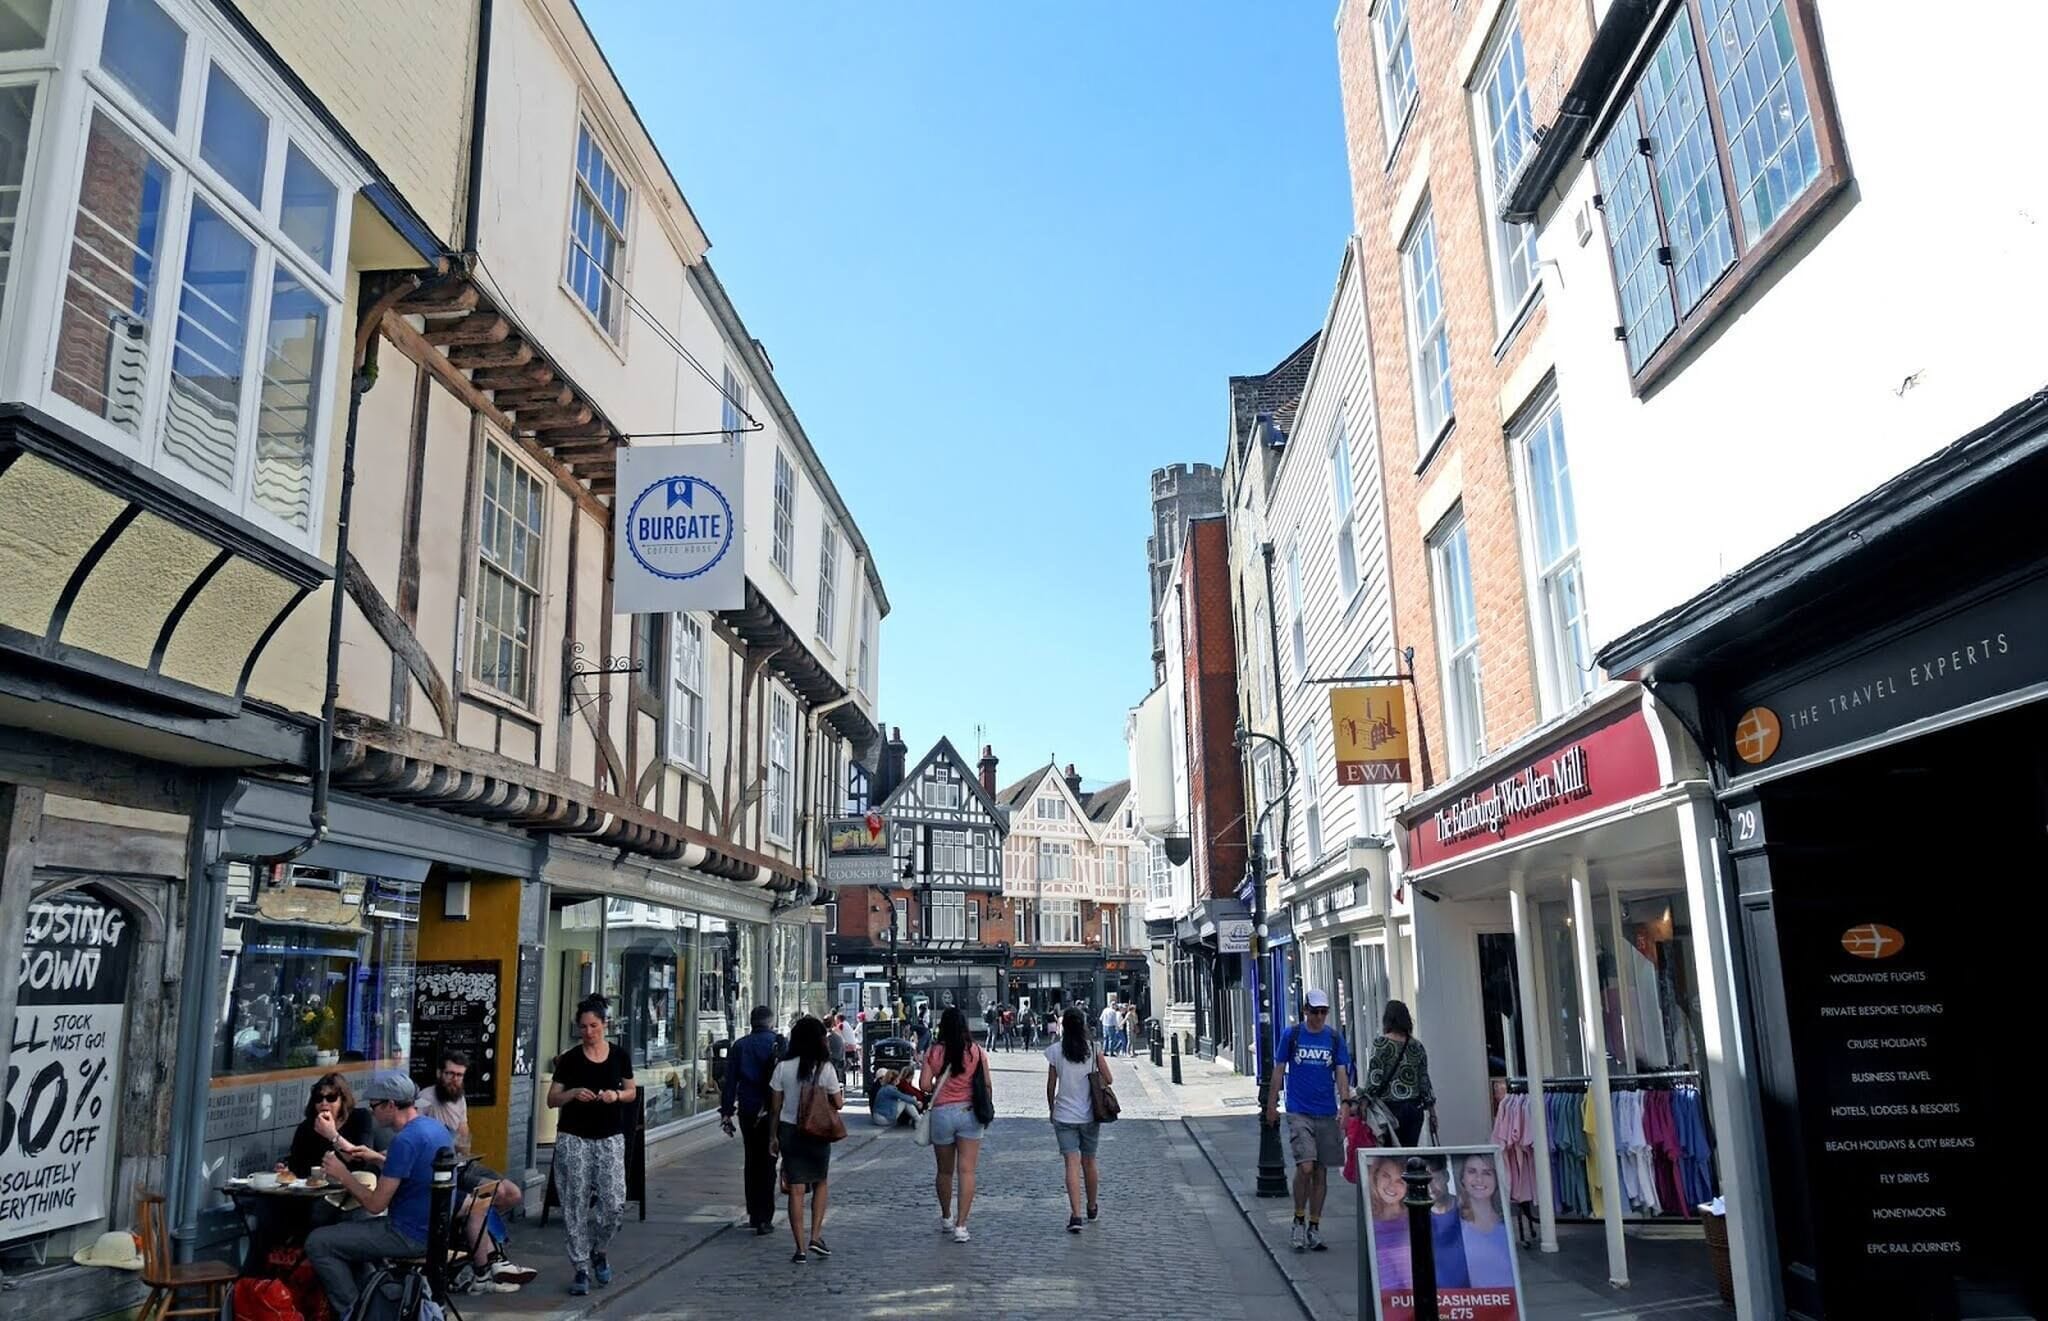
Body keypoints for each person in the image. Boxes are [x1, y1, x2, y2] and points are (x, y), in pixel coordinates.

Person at [305, 1071, 453, 1317]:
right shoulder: (433, 1128)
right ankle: (376, 1298)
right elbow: (414, 1172)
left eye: (374, 1105)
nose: (372, 1112)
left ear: (391, 1105)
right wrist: (378, 1158)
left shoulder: (404, 1141)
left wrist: (343, 1174)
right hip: (434, 1232)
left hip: (407, 1235)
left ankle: (358, 1312)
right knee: (350, 1230)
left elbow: (375, 1203)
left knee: (318, 1241)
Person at [413, 1049, 536, 1289]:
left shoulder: (459, 1097)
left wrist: (463, 1141)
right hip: (446, 1171)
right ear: (439, 1073)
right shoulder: (425, 1098)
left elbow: (464, 1131)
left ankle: (474, 1238)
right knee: (491, 1195)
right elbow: (416, 1133)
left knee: (512, 1194)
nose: (454, 1080)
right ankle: (488, 1260)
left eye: (459, 1075)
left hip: (466, 1163)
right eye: (449, 1074)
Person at [546, 995, 636, 1297]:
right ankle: (581, 1267)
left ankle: (600, 1248)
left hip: (609, 1136)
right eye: (583, 1027)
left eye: (594, 1026)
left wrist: (616, 1096)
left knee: (614, 1202)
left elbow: (631, 1091)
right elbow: (551, 1099)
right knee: (574, 1202)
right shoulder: (570, 1059)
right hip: (574, 1136)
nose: (588, 1032)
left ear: (604, 1025)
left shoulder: (619, 1055)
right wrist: (572, 1093)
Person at [1266, 988, 1354, 1253]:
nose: (1319, 1017)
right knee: (1305, 1167)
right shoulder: (1291, 1035)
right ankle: (1298, 1220)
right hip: (1298, 1110)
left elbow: (1341, 1073)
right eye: (1314, 1012)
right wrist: (1271, 1105)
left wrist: (1346, 1103)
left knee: (1321, 1171)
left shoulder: (1335, 1039)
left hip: (1326, 1111)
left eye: (1323, 1012)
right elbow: (1279, 1069)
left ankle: (1314, 1227)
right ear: (1305, 1010)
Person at [768, 1014, 843, 1262]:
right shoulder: (825, 1068)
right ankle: (816, 1236)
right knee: (820, 1181)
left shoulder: (783, 1067)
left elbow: (776, 1107)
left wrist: (773, 1137)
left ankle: (799, 1248)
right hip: (818, 1131)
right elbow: (839, 1103)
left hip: (790, 1130)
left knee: (796, 1189)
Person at [917, 1006, 991, 1242]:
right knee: (967, 1171)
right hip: (969, 1112)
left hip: (941, 1114)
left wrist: (941, 1081)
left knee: (944, 1171)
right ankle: (962, 1226)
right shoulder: (976, 1051)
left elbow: (925, 1085)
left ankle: (947, 1216)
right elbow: (987, 1084)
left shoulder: (934, 1051)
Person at [719, 1006, 784, 1236]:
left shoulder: (740, 1046)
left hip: (747, 1109)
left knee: (751, 1161)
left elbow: (730, 1082)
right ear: (770, 1021)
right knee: (768, 1162)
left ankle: (754, 1213)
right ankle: (765, 1217)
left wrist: (726, 1111)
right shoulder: (777, 1043)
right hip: (771, 1110)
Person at [1045, 1007, 1109, 1233]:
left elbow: (1051, 1085)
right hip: (1090, 1114)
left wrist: (1052, 1109)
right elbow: (1108, 1078)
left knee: (1071, 1164)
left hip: (1064, 1115)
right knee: (1089, 1161)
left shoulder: (1055, 1051)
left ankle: (1076, 1215)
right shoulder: (1093, 1048)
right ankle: (1092, 1206)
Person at [1364, 1000, 1437, 1147]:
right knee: (1409, 1154)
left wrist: (1364, 1102)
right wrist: (1432, 1112)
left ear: (1387, 1019)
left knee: (1391, 1157)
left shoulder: (1381, 1044)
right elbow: (1424, 1082)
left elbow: (1374, 1079)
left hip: (1390, 1109)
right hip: (1414, 1109)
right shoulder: (1417, 1046)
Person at [1456, 1154, 1516, 1287]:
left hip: (1507, 1303)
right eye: (1472, 1172)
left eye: (1487, 1173)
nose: (1479, 1179)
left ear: (1496, 1179)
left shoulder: (1507, 1228)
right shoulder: (1453, 1226)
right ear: (1462, 1179)